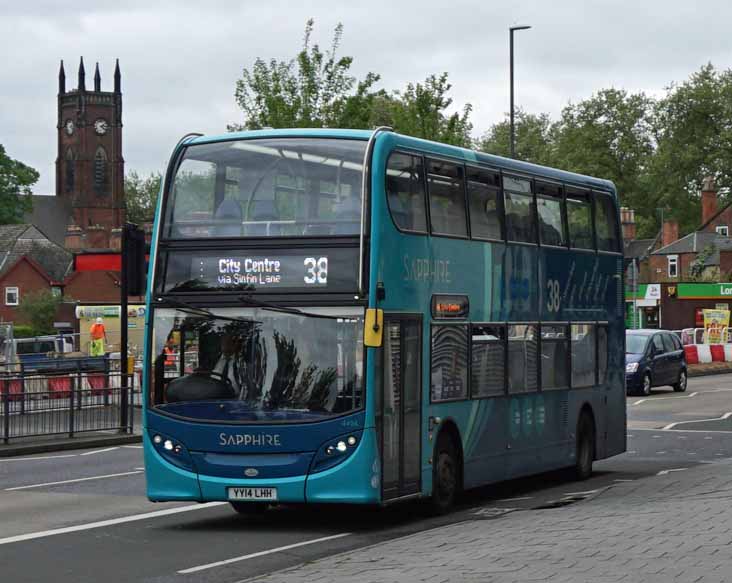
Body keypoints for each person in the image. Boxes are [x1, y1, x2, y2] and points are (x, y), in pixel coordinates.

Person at [211, 332, 242, 398]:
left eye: (231, 342)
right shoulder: (211, 360)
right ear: (221, 343)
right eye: (225, 341)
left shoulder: (242, 362)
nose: (227, 344)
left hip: (235, 400)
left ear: (236, 344)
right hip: (211, 398)